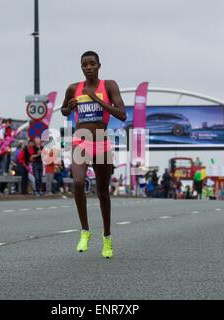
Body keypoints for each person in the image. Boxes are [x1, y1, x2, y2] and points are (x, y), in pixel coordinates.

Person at [61, 50, 126, 259]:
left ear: (99, 66)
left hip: (101, 141)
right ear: (81, 67)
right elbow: (63, 110)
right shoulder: (73, 88)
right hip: (80, 139)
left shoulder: (109, 85)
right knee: (78, 183)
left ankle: (107, 238)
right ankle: (85, 231)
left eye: (92, 64)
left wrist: (97, 100)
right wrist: (69, 107)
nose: (88, 67)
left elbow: (122, 114)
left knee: (103, 192)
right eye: (84, 65)